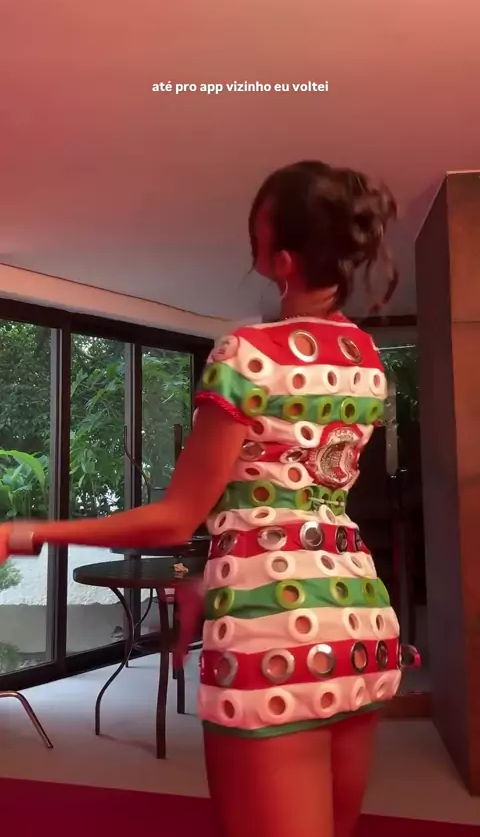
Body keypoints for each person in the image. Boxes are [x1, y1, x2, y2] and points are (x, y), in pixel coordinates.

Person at [0, 160, 418, 837]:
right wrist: (206, 576)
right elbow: (293, 498)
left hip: (272, 626)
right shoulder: (366, 359)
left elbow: (175, 519)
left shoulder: (250, 355)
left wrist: (28, 533)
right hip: (361, 620)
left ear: (281, 260)